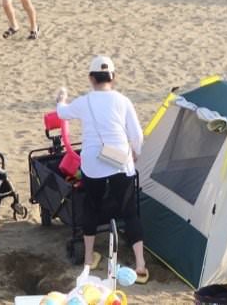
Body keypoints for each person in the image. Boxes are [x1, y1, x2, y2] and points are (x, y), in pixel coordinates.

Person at [54, 55, 148, 283]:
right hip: (118, 159)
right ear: (113, 77)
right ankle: (141, 265)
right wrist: (135, 153)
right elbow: (136, 135)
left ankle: (88, 259)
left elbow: (62, 113)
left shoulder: (85, 102)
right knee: (129, 211)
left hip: (93, 163)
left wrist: (61, 98)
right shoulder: (123, 101)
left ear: (91, 78)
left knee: (92, 207)